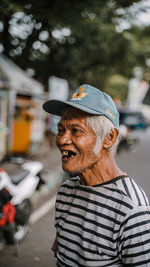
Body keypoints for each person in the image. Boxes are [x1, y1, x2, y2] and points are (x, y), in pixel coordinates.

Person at [43, 84, 150, 266]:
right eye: (61, 129)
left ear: (109, 138)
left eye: (76, 131)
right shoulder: (66, 191)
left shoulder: (132, 210)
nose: (62, 139)